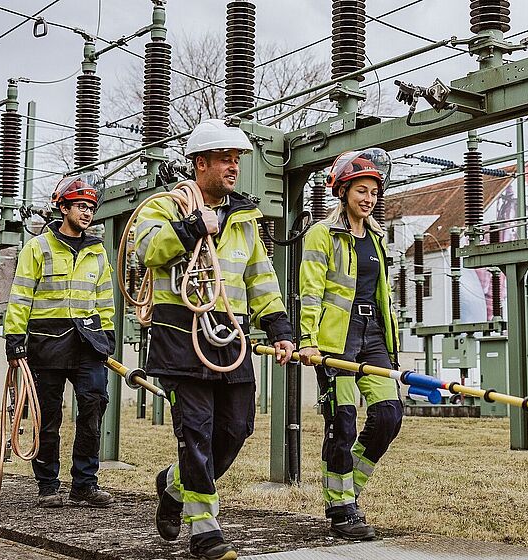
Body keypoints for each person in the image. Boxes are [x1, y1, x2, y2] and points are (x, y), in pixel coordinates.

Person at [132, 118, 295, 560]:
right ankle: (205, 532)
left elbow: (261, 278)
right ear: (200, 162)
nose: (234, 166)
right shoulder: (164, 207)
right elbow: (145, 250)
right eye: (225, 158)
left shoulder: (243, 219)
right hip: (180, 337)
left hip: (230, 336)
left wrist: (280, 329)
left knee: (236, 430)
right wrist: (190, 228)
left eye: (237, 159)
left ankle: (171, 484)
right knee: (197, 434)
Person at [297, 148, 403, 541]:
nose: (369, 198)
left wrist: (390, 341)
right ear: (342, 192)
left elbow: (383, 295)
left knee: (389, 414)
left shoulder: (376, 237)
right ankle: (341, 510)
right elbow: (310, 291)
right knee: (342, 421)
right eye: (361, 190)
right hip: (335, 339)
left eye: (374, 191)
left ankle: (347, 490)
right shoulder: (322, 234)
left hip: (372, 333)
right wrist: (307, 340)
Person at [4, 173, 116, 508]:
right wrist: (14, 340)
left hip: (88, 343)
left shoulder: (98, 252)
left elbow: (105, 299)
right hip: (46, 344)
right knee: (47, 415)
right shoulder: (36, 248)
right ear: (63, 207)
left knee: (93, 408)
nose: (87, 213)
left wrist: (106, 335)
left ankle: (84, 484)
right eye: (81, 206)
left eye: (91, 208)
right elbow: (20, 295)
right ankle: (48, 486)